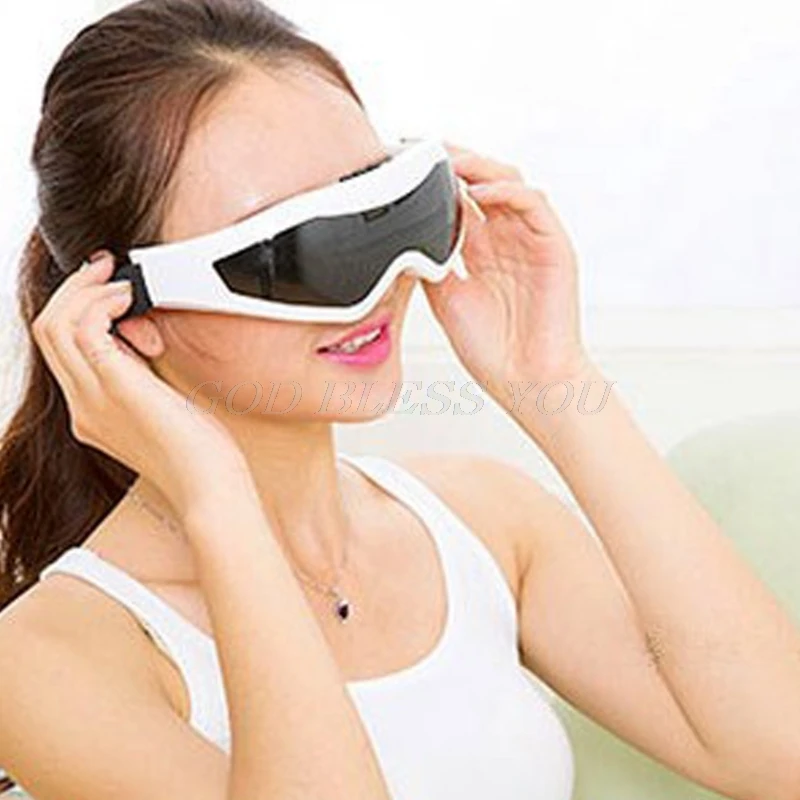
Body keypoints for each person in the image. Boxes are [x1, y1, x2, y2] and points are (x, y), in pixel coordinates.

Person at [1, 1, 799, 799]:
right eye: (288, 252)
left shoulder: (486, 525)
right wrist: (220, 505)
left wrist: (553, 381)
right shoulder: (49, 660)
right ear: (125, 310)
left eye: (377, 208)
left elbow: (782, 754)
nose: (371, 286)